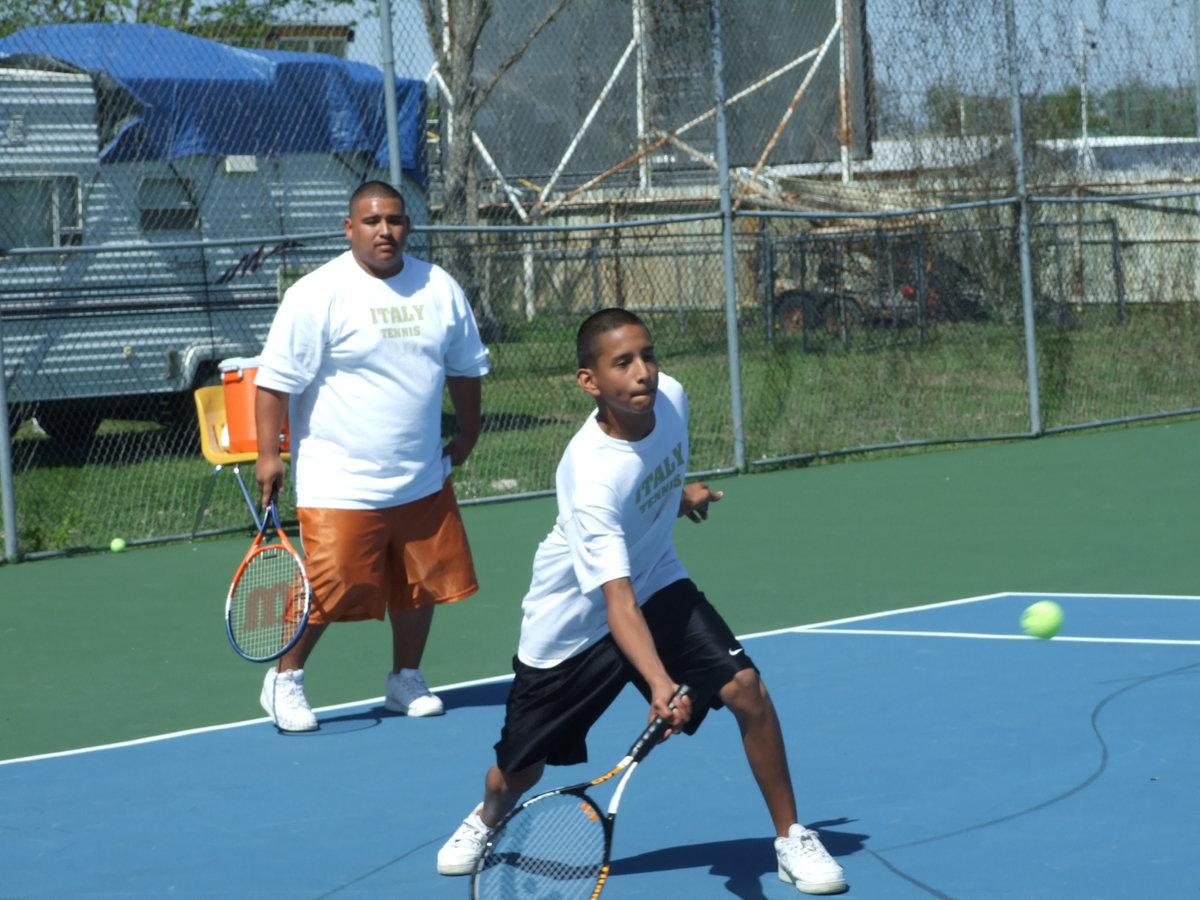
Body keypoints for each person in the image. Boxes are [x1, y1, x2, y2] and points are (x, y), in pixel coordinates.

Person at [436, 308, 847, 894]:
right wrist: (659, 684)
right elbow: (615, 601)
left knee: (745, 689)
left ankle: (791, 838)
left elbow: (648, 483)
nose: (643, 372)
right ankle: (487, 817)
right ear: (590, 381)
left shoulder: (672, 400)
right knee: (520, 769)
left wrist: (681, 496)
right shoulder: (588, 475)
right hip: (573, 626)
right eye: (622, 363)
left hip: (654, 581)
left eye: (648, 355)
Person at [252, 180, 490, 732]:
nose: (386, 231)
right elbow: (275, 382)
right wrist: (269, 455)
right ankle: (284, 680)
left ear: (408, 225)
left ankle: (405, 678)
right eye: (372, 221)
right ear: (349, 227)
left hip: (421, 477)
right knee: (330, 587)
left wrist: (470, 432)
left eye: (396, 221)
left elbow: (466, 367)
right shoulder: (317, 293)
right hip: (340, 482)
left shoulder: (439, 287)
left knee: (420, 582)